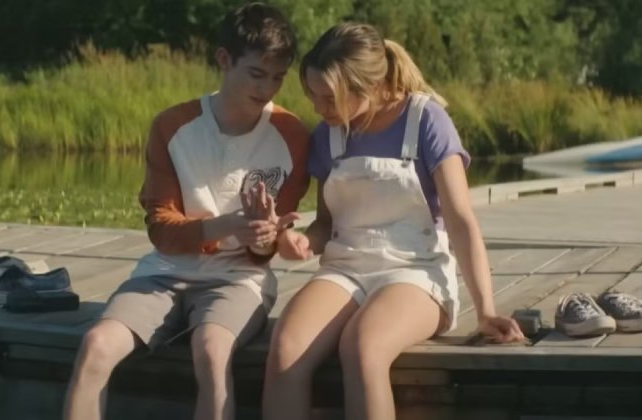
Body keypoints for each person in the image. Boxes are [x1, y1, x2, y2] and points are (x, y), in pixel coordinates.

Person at [262, 22, 525, 420]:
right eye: (312, 95)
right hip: (346, 269)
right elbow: (326, 225)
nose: (318, 108)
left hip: (416, 273)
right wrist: (302, 241)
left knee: (362, 346)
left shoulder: (426, 120)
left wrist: (486, 310)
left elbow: (461, 220)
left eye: (329, 97)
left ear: (367, 86)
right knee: (285, 348)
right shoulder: (328, 134)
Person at [62, 4, 310, 420]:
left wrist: (265, 239)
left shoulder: (292, 135)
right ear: (223, 59)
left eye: (277, 77)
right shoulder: (172, 126)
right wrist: (227, 226)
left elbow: (265, 249)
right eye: (256, 73)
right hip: (163, 272)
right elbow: (161, 229)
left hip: (239, 280)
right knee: (95, 346)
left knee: (211, 351)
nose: (267, 88)